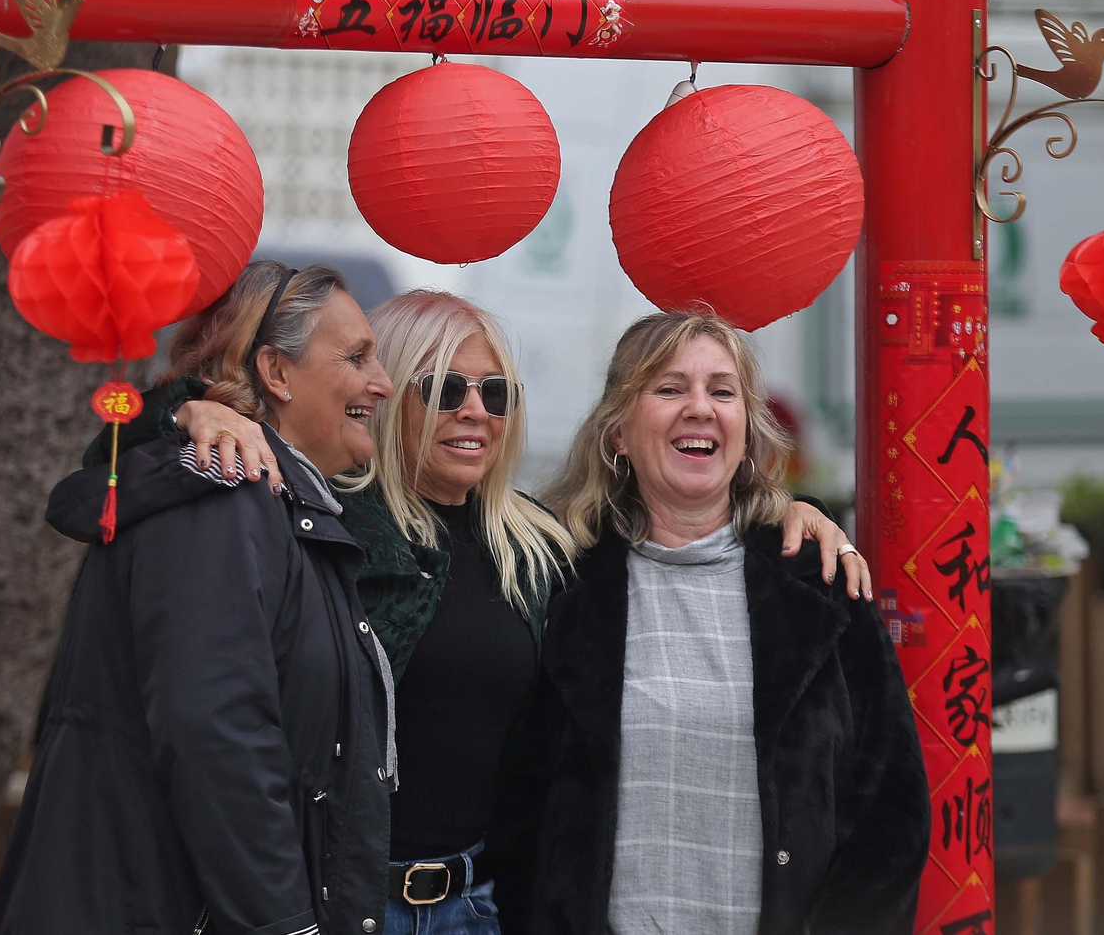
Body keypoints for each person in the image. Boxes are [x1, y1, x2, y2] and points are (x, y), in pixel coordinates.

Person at [79, 285, 869, 935]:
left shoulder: (541, 548)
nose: (474, 410)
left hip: (476, 907)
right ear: (387, 393)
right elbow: (120, 478)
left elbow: (674, 518)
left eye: (495, 393)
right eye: (444, 388)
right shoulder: (321, 522)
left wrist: (786, 517)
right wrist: (186, 410)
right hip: (337, 905)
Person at [0, 262, 397, 935]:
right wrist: (285, 925)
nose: (382, 382)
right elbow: (219, 737)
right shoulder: (221, 494)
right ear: (277, 372)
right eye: (356, 357)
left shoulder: (280, 504)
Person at [520, 310, 929, 935]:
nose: (699, 408)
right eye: (669, 388)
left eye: (722, 391)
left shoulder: (820, 581)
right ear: (618, 433)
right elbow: (520, 805)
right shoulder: (556, 580)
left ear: (747, 431)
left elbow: (889, 806)